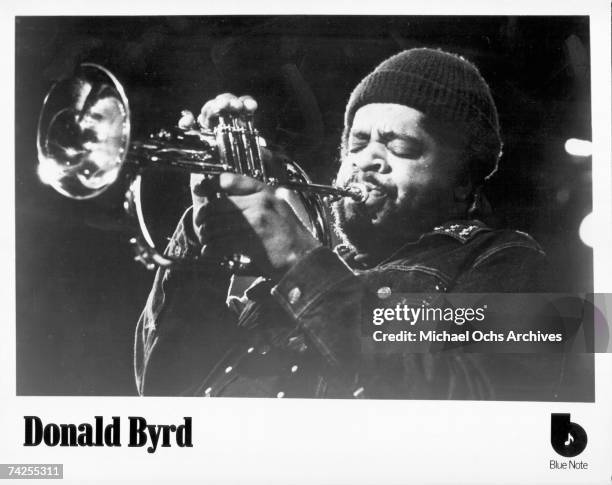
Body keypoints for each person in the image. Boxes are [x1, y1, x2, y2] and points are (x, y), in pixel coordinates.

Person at [134, 48, 557, 399]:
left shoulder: (509, 257)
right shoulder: (287, 265)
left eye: (402, 147)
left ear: (462, 182)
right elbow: (161, 393)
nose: (368, 159)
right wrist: (202, 236)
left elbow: (484, 403)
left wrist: (299, 261)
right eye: (358, 141)